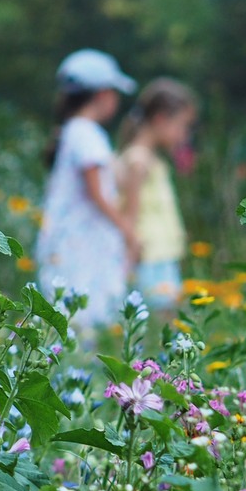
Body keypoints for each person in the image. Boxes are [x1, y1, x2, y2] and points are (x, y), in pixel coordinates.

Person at [35, 49, 136, 332]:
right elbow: (97, 193)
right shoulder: (88, 134)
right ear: (103, 94)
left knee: (70, 319)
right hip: (80, 243)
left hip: (70, 240)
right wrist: (128, 230)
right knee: (82, 317)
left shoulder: (72, 131)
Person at [114, 79, 198, 313]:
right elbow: (129, 214)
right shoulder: (138, 161)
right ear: (161, 119)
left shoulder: (152, 159)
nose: (184, 134)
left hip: (161, 256)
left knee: (165, 328)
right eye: (182, 125)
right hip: (148, 259)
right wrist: (128, 263)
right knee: (157, 329)